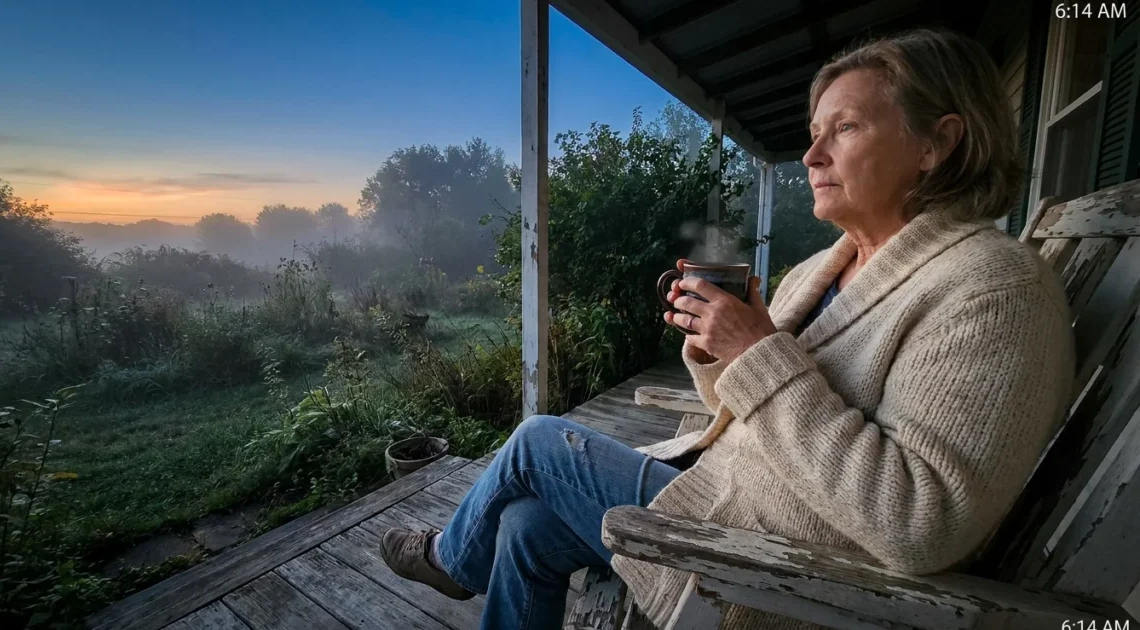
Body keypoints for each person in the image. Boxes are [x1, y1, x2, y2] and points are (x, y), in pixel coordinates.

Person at [379, 28, 1075, 630]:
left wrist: (757, 349)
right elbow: (748, 409)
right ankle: (463, 558)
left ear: (937, 143)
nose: (812, 156)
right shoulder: (824, 268)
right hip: (721, 491)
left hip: (774, 565)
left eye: (846, 128)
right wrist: (719, 354)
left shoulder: (993, 290)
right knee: (526, 525)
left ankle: (452, 561)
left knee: (537, 441)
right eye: (814, 133)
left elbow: (919, 524)